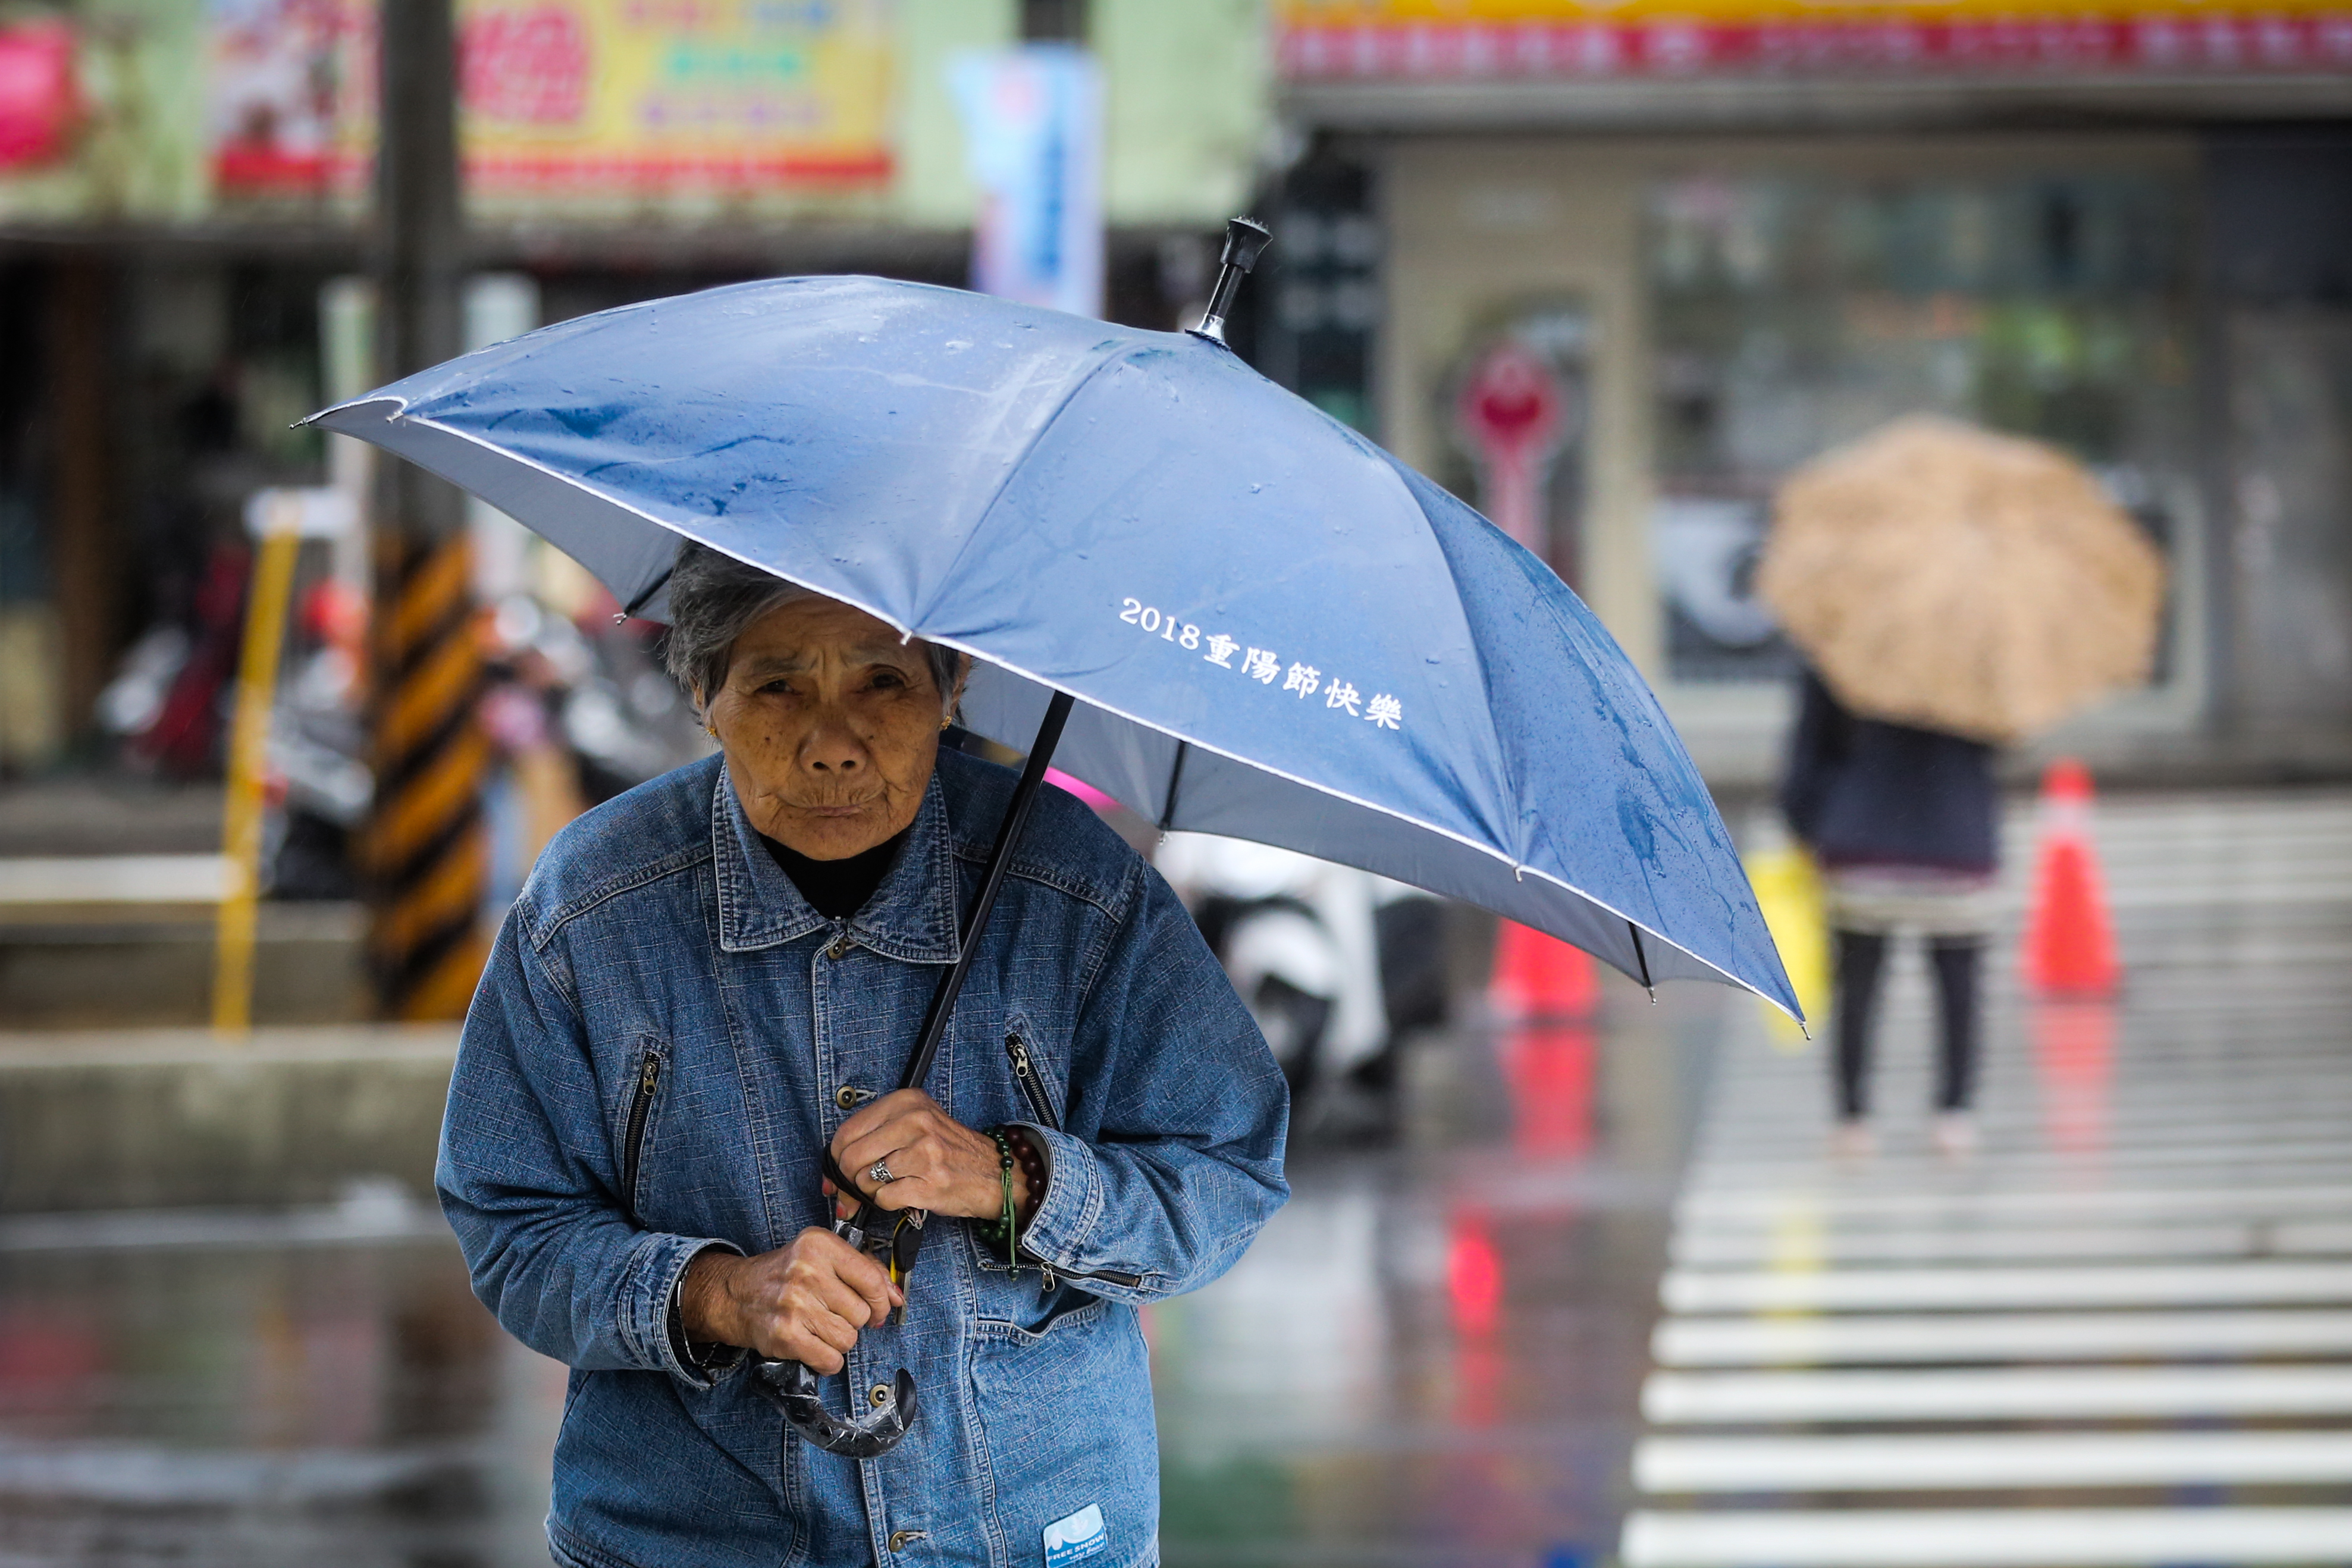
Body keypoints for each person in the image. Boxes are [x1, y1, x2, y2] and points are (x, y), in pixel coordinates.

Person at [439, 540, 1290, 1568]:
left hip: (1033, 1537)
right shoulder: (591, 909)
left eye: (882, 680)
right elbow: (512, 1224)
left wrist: (1012, 1179)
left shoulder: (1078, 894)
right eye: (777, 686)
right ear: (703, 693)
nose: (833, 743)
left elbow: (1227, 1174)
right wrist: (717, 1293)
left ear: (952, 686)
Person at [1780, 666, 1998, 1158]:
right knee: (1958, 981)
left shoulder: (1845, 646)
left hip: (1863, 837)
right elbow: (1996, 740)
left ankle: (1853, 1116)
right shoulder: (1972, 650)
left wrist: (1804, 821)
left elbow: (1810, 748)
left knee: (1857, 983)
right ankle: (1954, 1112)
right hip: (1956, 834)